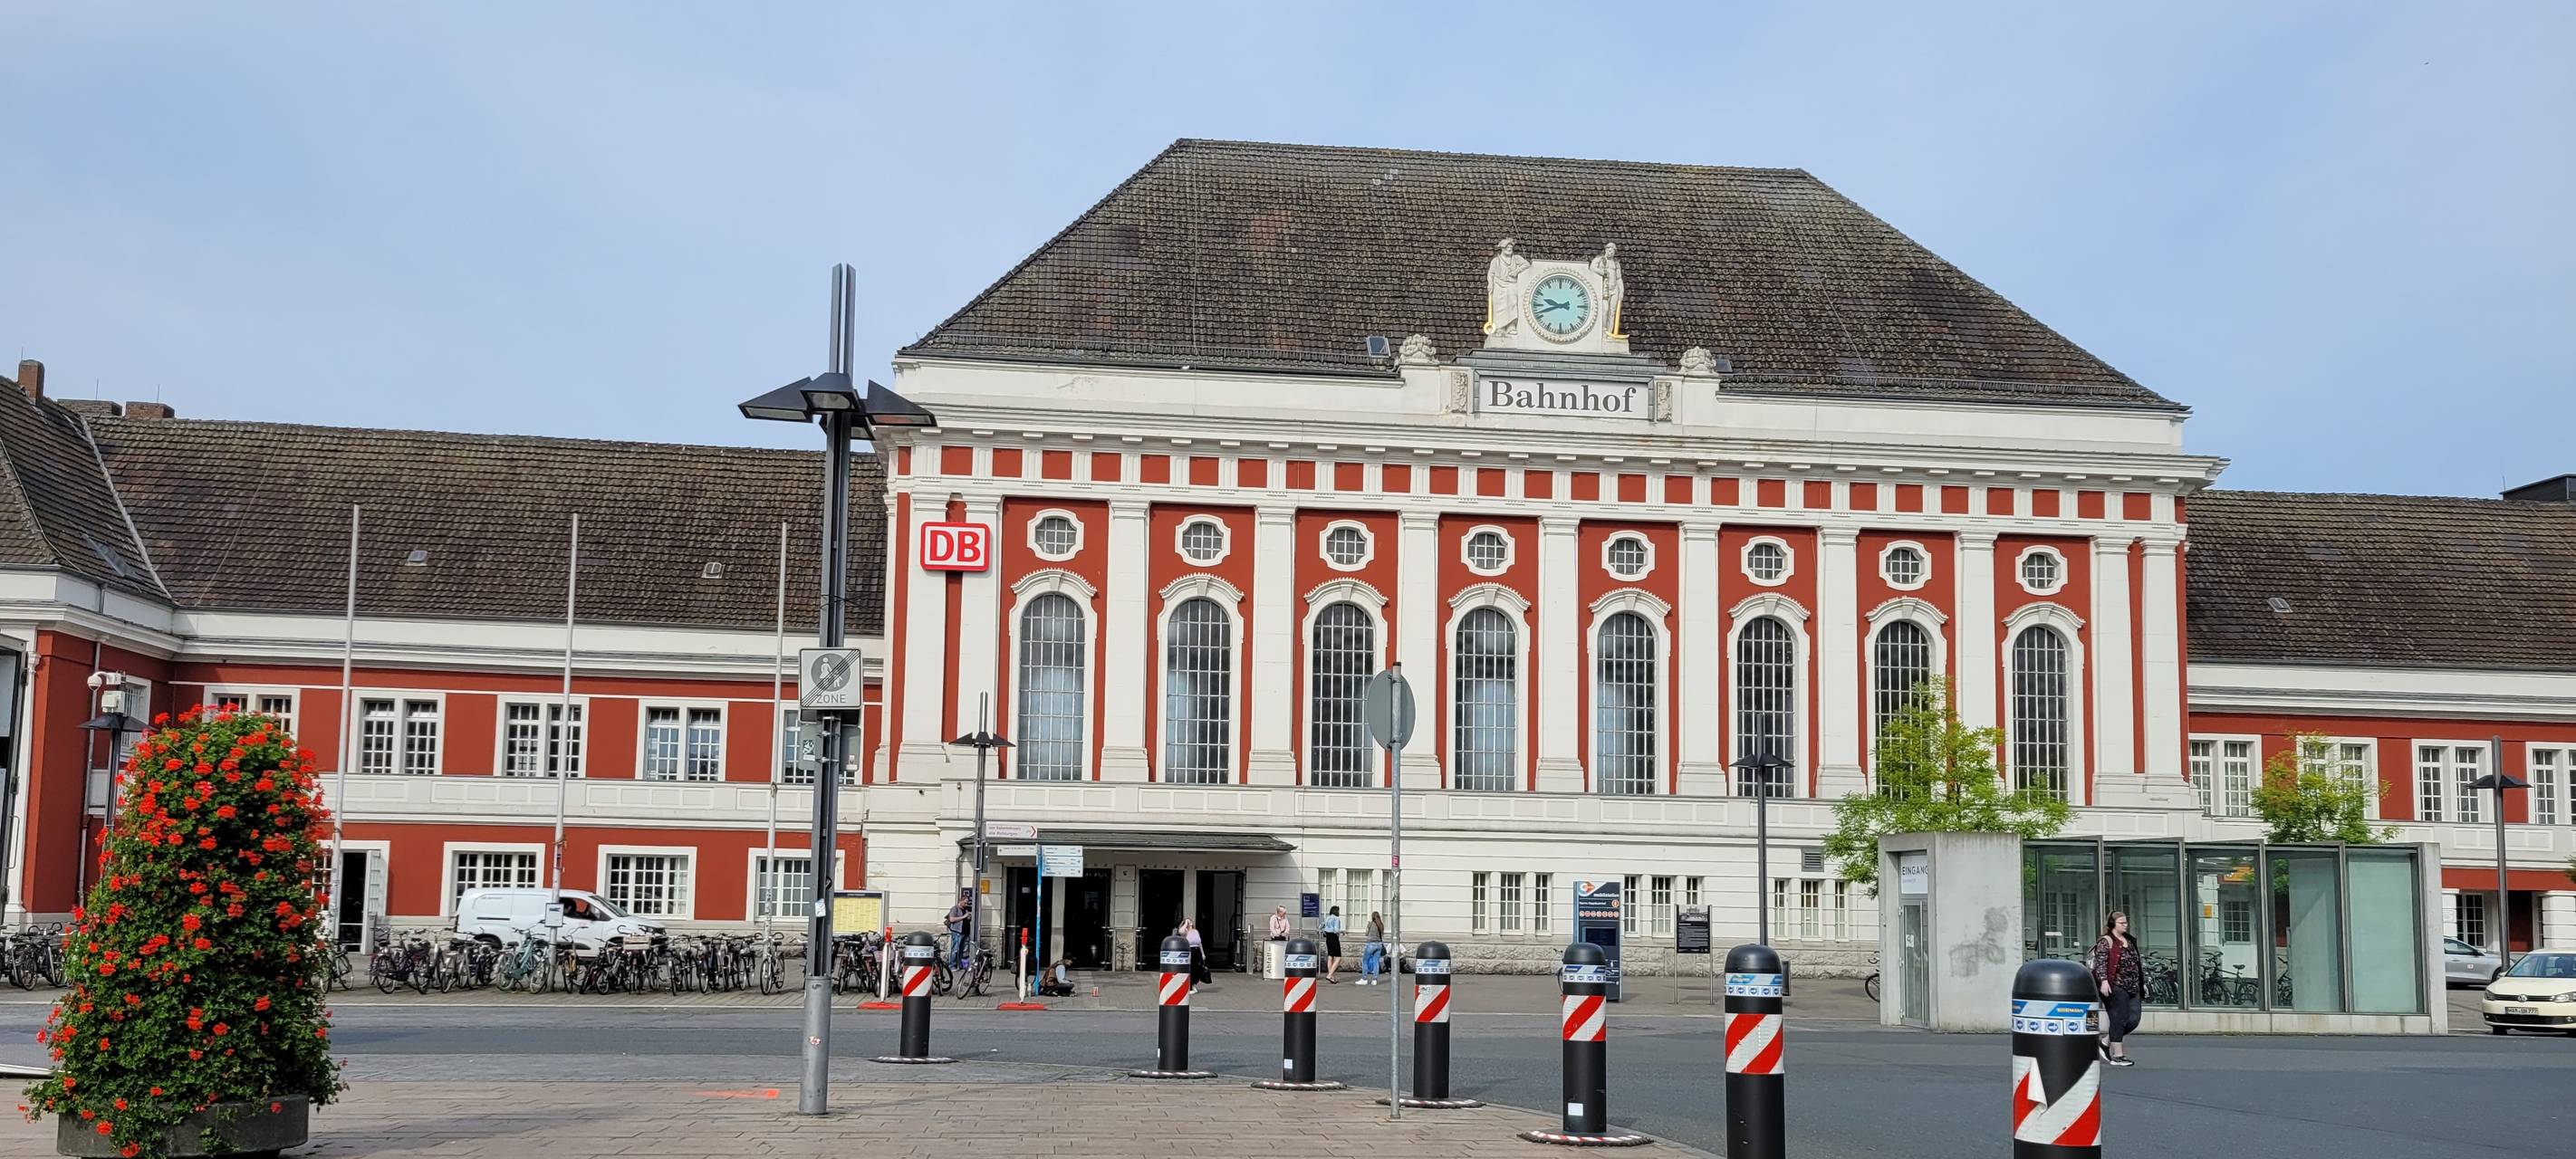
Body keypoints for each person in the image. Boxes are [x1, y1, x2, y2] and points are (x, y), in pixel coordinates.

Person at [2090, 911, 2144, 1067]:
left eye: (2126, 922)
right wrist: (2104, 981)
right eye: (2122, 923)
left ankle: (2105, 1042)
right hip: (2116, 986)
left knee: (2133, 1020)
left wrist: (2143, 982)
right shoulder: (2106, 941)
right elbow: (2101, 963)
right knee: (2118, 1019)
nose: (2125, 925)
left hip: (2133, 986)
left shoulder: (2129, 940)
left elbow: (2137, 963)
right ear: (2113, 924)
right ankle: (2118, 1055)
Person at [944, 888, 974, 971]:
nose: (966, 904)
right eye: (965, 902)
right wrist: (964, 917)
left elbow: (966, 919)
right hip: (957, 931)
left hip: (964, 932)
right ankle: (952, 965)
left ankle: (959, 965)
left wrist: (969, 918)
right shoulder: (955, 908)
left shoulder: (966, 909)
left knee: (961, 950)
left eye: (967, 902)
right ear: (961, 901)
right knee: (955, 949)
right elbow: (952, 919)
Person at [1181, 919, 1213, 993]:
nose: (1190, 923)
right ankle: (1190, 987)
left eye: (1190, 921)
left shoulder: (1196, 931)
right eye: (1188, 922)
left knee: (1198, 969)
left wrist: (1203, 953)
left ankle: (1193, 984)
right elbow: (1181, 931)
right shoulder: (1185, 931)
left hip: (1197, 951)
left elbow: (1199, 943)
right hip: (1189, 951)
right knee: (1191, 969)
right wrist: (1186, 923)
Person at [1359, 911, 1385, 985]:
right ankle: (1375, 980)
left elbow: (1366, 933)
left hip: (1371, 944)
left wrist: (1367, 926)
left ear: (1372, 917)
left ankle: (1364, 979)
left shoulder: (1370, 924)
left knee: (1365, 961)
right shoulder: (1381, 925)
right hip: (1379, 944)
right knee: (1376, 962)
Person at [1320, 905, 1345, 983]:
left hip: (1328, 938)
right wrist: (1343, 931)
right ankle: (1330, 975)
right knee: (1338, 958)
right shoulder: (1336, 919)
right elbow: (1336, 930)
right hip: (1334, 938)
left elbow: (1320, 926)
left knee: (1330, 957)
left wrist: (1323, 931)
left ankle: (1331, 976)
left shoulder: (1327, 918)